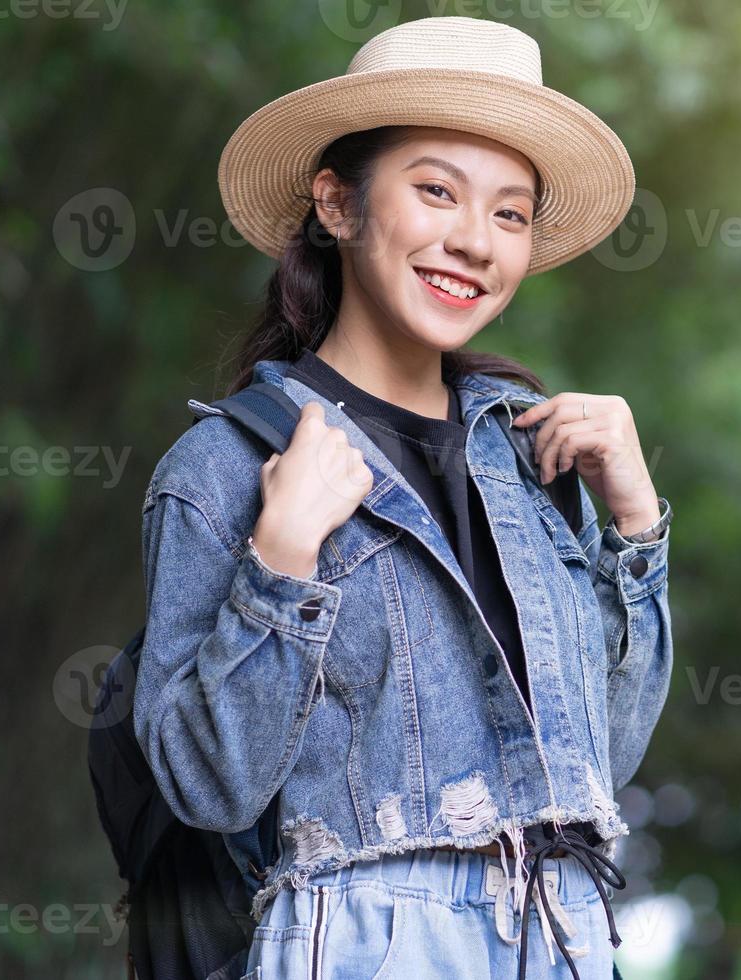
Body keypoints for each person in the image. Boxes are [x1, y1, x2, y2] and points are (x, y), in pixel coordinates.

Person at [133, 16, 673, 979]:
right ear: (335, 203)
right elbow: (204, 786)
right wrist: (283, 558)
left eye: (510, 214)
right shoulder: (223, 466)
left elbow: (603, 763)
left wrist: (634, 533)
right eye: (436, 192)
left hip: (567, 935)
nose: (474, 242)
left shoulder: (532, 462)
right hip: (367, 942)